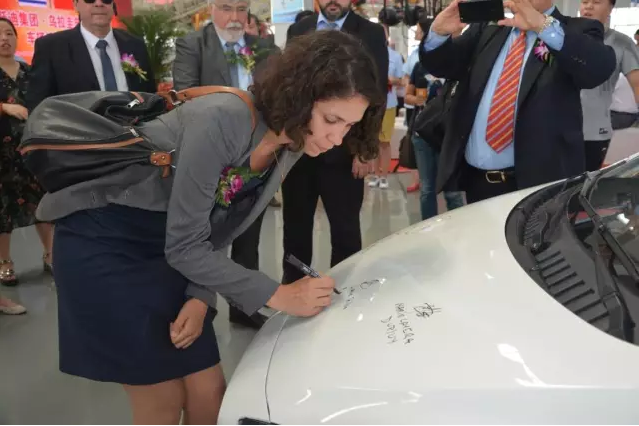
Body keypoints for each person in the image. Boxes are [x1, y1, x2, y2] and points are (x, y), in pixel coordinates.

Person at [34, 31, 384, 424]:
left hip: (171, 248)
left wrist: (200, 295)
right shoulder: (223, 119)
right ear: (300, 96)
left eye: (349, 126)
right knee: (162, 400)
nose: (336, 138)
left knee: (209, 396)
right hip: (106, 241)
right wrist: (279, 295)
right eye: (331, 120)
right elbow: (186, 243)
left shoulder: (293, 142)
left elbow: (220, 224)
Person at [421, 0, 615, 204]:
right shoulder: (490, 28)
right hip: (478, 182)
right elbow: (446, 66)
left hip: (540, 186)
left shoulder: (575, 30)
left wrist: (541, 25)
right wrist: (438, 34)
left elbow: (597, 69)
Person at [172, 0, 279, 329]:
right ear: (211, 8)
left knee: (247, 230)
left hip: (256, 155)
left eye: (241, 8)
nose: (234, 17)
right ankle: (197, 304)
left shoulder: (264, 48)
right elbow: (187, 96)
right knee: (202, 233)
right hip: (209, 153)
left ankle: (243, 306)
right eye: (226, 7)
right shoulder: (193, 45)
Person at [281, 0, 388, 285]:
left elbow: (377, 97)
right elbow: (290, 90)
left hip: (345, 153)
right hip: (299, 152)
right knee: (295, 228)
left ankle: (345, 290)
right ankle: (294, 287)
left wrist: (365, 150)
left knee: (345, 229)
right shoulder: (299, 30)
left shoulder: (370, 33)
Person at [26, 0, 155, 111]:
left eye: (106, 0)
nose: (99, 3)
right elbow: (38, 106)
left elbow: (149, 95)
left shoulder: (135, 44)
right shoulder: (51, 47)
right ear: (75, 4)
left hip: (135, 128)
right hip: (78, 131)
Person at [0, 18, 53, 286]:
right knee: (3, 208)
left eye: (9, 33)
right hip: (2, 153)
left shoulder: (30, 71)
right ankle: (5, 262)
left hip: (31, 148)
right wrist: (4, 107)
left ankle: (50, 254)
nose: (4, 39)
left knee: (41, 200)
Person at [579, 0, 639, 171]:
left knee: (585, 182)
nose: (588, 6)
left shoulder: (621, 42)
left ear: (610, 8)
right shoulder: (563, 36)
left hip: (593, 132)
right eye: (584, 1)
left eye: (596, 2)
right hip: (555, 131)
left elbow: (637, 84)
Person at [369, 27, 404, 189]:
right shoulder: (368, 55)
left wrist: (390, 79)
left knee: (384, 141)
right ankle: (375, 174)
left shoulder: (395, 57)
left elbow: (401, 80)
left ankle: (384, 176)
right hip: (371, 104)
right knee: (373, 140)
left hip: (388, 103)